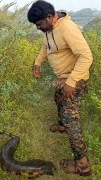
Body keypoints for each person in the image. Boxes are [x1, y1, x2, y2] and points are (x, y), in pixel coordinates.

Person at [27, 0, 93, 176]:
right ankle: (62, 125)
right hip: (62, 79)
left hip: (75, 80)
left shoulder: (68, 29)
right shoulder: (49, 29)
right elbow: (45, 46)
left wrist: (71, 82)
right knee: (58, 100)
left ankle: (82, 165)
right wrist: (37, 63)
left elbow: (86, 57)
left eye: (39, 24)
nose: (37, 27)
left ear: (50, 17)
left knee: (72, 121)